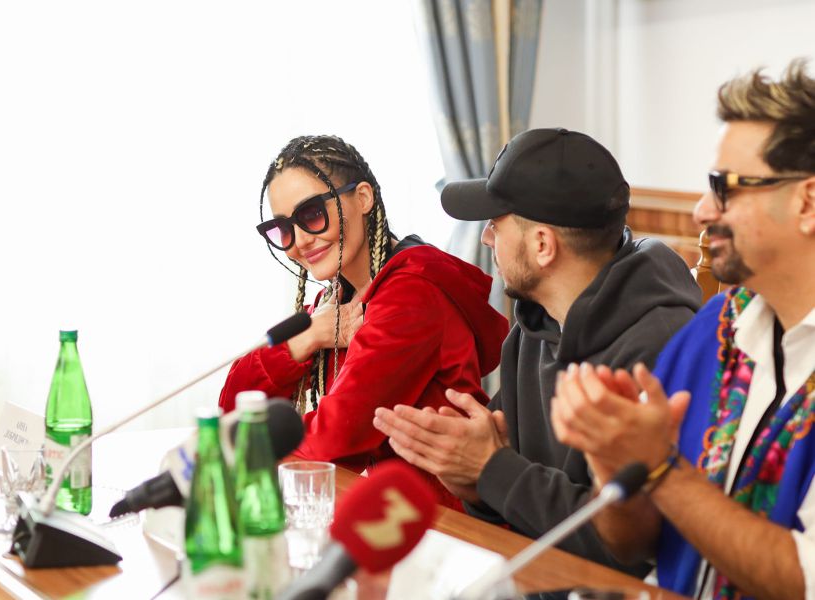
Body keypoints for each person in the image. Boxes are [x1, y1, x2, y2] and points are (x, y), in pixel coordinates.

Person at [372, 128, 701, 575]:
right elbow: (513, 500)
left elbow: (628, 550)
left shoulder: (659, 346)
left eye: (496, 224)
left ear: (542, 245)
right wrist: (474, 481)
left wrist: (491, 470)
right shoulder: (534, 323)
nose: (486, 239)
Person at [550, 60, 815, 599]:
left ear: (807, 202)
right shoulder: (714, 330)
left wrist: (661, 468)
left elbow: (804, 580)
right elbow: (637, 545)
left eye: (723, 187)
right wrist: (617, 465)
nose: (700, 211)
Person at [218, 135, 509, 507]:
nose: (300, 241)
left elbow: (334, 440)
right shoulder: (335, 302)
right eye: (283, 229)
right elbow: (233, 407)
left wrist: (241, 445)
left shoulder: (411, 294)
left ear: (363, 198)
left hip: (441, 523)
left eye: (311, 214)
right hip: (383, 514)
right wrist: (304, 339)